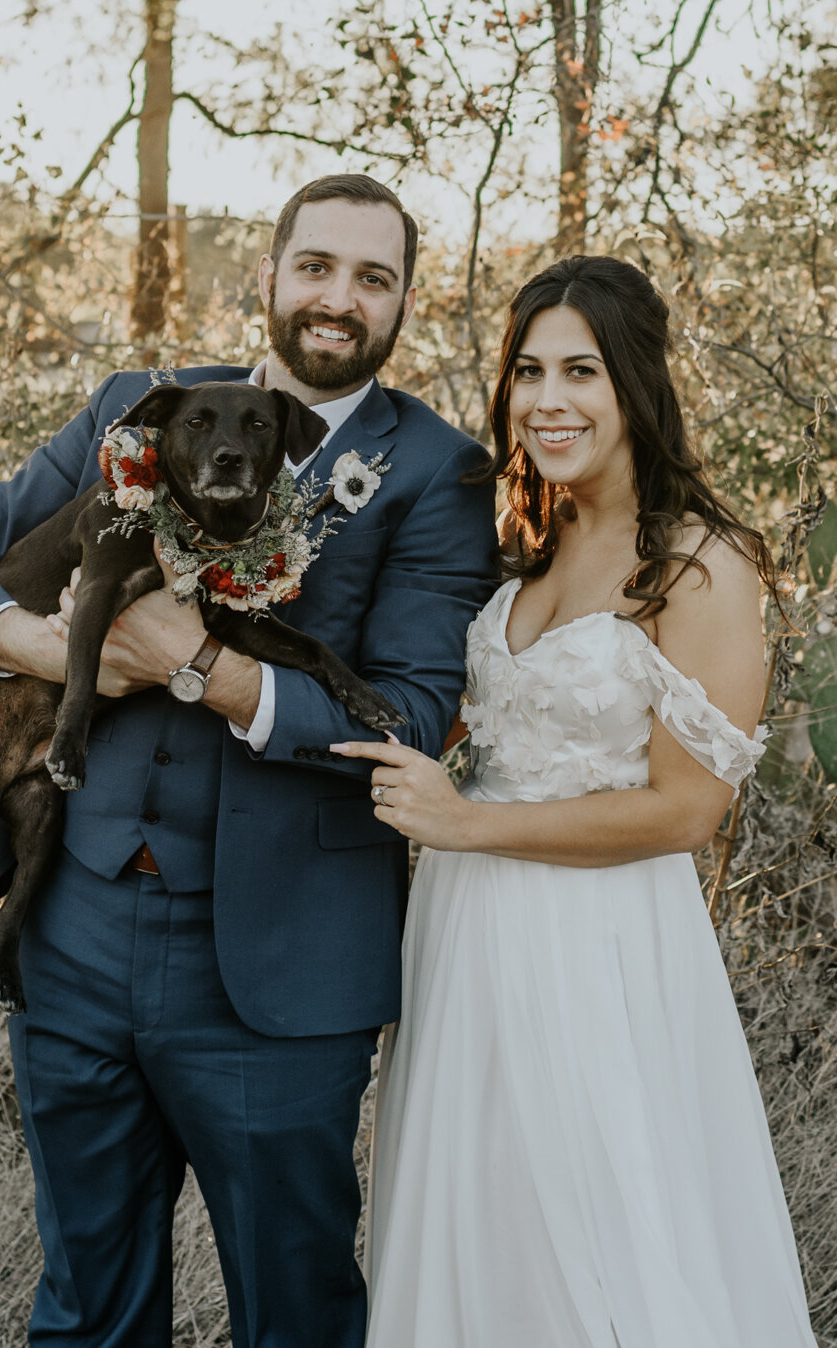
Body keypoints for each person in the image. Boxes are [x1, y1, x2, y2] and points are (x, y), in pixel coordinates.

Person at [0, 174, 500, 1348]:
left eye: (371, 279)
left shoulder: (436, 471)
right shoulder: (139, 404)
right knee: (84, 1312)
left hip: (277, 977)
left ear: (404, 304)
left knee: (293, 1316)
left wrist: (200, 668)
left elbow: (416, 716)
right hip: (67, 939)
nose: (337, 300)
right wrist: (42, 645)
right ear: (268, 276)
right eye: (315, 266)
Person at [333, 255, 819, 1348]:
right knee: (476, 1226)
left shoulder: (700, 564)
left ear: (634, 383)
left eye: (580, 372)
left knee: (602, 1234)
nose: (545, 399)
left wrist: (466, 823)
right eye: (525, 371)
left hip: (594, 946)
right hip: (459, 941)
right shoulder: (521, 550)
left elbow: (685, 810)